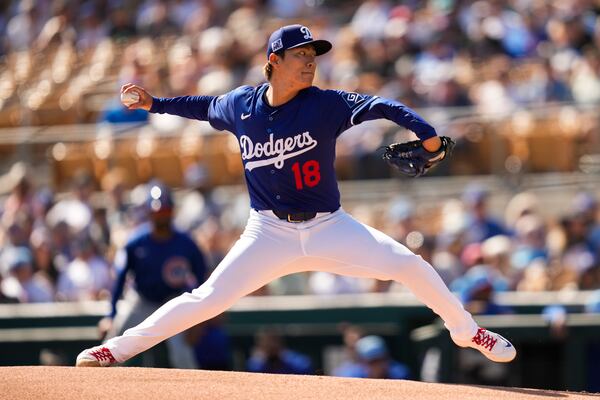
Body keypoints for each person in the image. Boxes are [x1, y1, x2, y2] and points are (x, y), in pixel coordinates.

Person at [76, 24, 516, 367]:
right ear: (274, 60)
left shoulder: (323, 103)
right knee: (205, 299)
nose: (310, 63)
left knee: (410, 266)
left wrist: (427, 134)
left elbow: (382, 105)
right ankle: (114, 350)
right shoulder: (240, 105)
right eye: (301, 55)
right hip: (266, 231)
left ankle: (466, 331)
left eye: (314, 56)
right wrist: (154, 104)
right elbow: (201, 106)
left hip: (328, 225)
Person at [94, 182, 208, 368]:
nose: (161, 217)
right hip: (141, 300)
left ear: (172, 212)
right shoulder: (135, 242)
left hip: (172, 300)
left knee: (182, 354)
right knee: (113, 340)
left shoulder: (187, 243)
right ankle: (94, 384)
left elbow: (202, 278)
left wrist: (198, 319)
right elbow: (120, 280)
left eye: (165, 212)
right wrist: (111, 314)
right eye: (157, 213)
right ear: (148, 213)